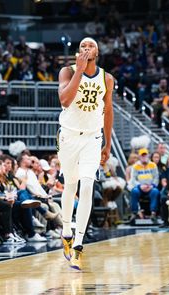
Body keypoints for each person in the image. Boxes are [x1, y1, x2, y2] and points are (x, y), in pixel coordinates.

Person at [57, 37, 114, 270]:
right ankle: (67, 229)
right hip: (69, 136)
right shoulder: (67, 72)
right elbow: (65, 99)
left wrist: (107, 144)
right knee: (70, 185)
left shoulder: (107, 78)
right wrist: (79, 71)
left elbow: (108, 111)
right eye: (82, 46)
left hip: (92, 137)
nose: (85, 48)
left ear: (97, 53)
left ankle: (79, 244)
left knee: (88, 184)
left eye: (90, 46)